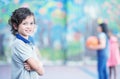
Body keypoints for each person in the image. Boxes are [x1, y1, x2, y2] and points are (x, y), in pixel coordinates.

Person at [8, 7, 44, 79]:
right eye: (25, 23)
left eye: (31, 23)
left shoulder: (29, 43)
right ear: (15, 26)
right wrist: (37, 67)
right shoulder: (19, 44)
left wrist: (37, 65)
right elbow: (41, 72)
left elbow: (39, 62)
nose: (29, 27)